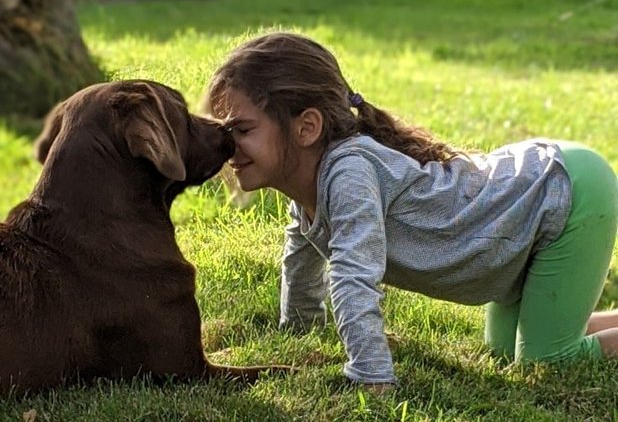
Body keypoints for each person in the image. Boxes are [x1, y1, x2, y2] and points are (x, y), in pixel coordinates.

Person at [205, 31, 618, 392]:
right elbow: (301, 256)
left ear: (306, 127)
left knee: (545, 362)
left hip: (564, 191)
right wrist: (300, 329)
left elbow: (353, 276)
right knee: (503, 352)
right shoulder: (307, 187)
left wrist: (372, 376)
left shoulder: (349, 173)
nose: (228, 146)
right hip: (522, 209)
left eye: (241, 130)